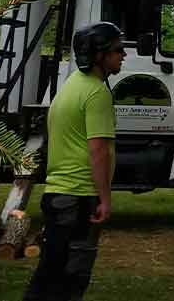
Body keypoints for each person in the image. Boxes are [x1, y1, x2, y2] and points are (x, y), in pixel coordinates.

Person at [23, 21, 124, 301]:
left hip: (59, 194)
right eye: (118, 50)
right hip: (79, 197)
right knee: (70, 278)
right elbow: (98, 150)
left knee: (50, 273)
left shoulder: (70, 87)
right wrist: (105, 199)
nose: (123, 55)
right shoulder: (96, 93)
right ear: (98, 55)